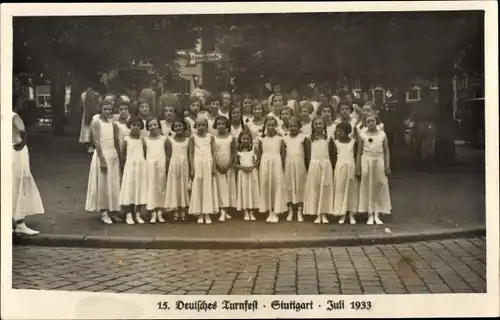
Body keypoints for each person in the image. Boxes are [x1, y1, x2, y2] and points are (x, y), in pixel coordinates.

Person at [85, 100, 121, 224]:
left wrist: (118, 156)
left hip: (112, 154)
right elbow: (96, 141)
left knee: (113, 183)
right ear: (100, 109)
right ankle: (104, 212)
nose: (107, 111)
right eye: (105, 109)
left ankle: (113, 210)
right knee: (103, 184)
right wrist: (102, 159)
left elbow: (115, 140)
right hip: (102, 154)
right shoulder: (96, 122)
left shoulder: (113, 124)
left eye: (109, 109)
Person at [11, 99, 44, 235]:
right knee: (21, 183)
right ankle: (19, 222)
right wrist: (23, 142)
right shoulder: (13, 115)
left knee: (11, 184)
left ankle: (12, 220)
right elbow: (21, 129)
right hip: (17, 151)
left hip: (8, 150)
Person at [356, 115, 392, 225]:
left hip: (379, 161)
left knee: (379, 185)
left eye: (372, 121)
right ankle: (370, 214)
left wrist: (387, 165)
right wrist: (358, 167)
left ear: (376, 121)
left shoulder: (382, 134)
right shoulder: (362, 135)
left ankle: (377, 213)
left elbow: (386, 151)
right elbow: (359, 152)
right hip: (367, 161)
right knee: (368, 186)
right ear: (365, 123)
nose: (370, 123)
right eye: (368, 121)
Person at [303, 117, 335, 224]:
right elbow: (307, 155)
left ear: (324, 126)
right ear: (312, 126)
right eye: (316, 124)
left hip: (326, 165)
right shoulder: (309, 139)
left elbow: (331, 154)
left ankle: (324, 213)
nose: (318, 126)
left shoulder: (329, 138)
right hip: (314, 165)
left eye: (320, 124)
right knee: (315, 188)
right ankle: (317, 213)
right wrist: (309, 168)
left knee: (324, 189)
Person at [188, 116, 219, 224]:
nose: (201, 127)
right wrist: (192, 168)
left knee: (208, 188)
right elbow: (191, 153)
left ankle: (207, 213)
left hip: (208, 164)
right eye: (199, 125)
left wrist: (214, 167)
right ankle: (200, 213)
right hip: (198, 164)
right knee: (199, 188)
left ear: (207, 126)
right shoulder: (193, 138)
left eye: (203, 125)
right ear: (196, 126)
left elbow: (214, 153)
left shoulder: (211, 137)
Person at [257, 116, 287, 223]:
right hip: (265, 163)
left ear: (275, 126)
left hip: (276, 163)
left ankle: (276, 210)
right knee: (266, 184)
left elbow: (283, 153)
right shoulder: (261, 139)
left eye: (272, 125)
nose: (270, 127)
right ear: (265, 126)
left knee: (276, 185)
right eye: (268, 125)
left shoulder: (279, 139)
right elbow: (260, 153)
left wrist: (281, 165)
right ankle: (269, 210)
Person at [119, 116, 148, 225]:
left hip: (140, 167)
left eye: (138, 125)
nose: (135, 127)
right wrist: (123, 168)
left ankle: (138, 214)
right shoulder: (126, 139)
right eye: (133, 125)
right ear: (129, 126)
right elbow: (122, 155)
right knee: (129, 190)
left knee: (139, 190)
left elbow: (144, 153)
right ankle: (128, 214)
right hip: (130, 167)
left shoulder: (142, 139)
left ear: (141, 127)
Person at [282, 117, 309, 222]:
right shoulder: (284, 139)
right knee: (288, 186)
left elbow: (307, 154)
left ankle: (299, 210)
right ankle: (290, 210)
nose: (292, 128)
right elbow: (283, 155)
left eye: (295, 126)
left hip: (300, 165)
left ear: (299, 127)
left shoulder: (303, 138)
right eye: (290, 126)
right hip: (288, 166)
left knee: (300, 186)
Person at [332, 122, 359, 224]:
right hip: (340, 168)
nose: (338, 132)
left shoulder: (353, 142)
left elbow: (356, 155)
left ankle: (351, 213)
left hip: (350, 167)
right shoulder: (336, 143)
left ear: (347, 131)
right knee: (340, 190)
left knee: (351, 190)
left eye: (341, 130)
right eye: (337, 130)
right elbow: (334, 157)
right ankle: (342, 214)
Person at [165, 118, 191, 221]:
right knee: (175, 187)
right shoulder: (170, 140)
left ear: (184, 127)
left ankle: (184, 210)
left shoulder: (188, 140)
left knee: (184, 187)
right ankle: (176, 210)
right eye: (176, 126)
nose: (178, 128)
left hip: (185, 165)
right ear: (173, 128)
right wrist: (167, 168)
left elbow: (189, 155)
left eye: (180, 126)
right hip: (174, 165)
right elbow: (168, 155)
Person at [144, 118, 169, 224]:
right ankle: (153, 212)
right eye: (150, 125)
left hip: (161, 165)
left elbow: (168, 154)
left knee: (161, 188)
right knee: (151, 188)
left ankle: (160, 211)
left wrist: (167, 166)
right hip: (150, 167)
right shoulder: (145, 139)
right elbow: (145, 154)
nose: (153, 127)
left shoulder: (164, 139)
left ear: (158, 125)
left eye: (155, 124)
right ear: (148, 128)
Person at [213, 116, 237, 222]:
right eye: (219, 124)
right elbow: (212, 153)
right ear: (216, 125)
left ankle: (225, 210)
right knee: (220, 188)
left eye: (223, 124)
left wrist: (228, 165)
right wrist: (217, 165)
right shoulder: (213, 138)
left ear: (226, 125)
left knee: (228, 188)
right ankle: (221, 210)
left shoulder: (231, 138)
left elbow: (233, 153)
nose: (221, 126)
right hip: (218, 166)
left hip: (228, 167)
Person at [234, 130, 260, 221]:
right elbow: (235, 164)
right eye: (243, 139)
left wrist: (253, 166)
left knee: (252, 191)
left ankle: (251, 211)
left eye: (247, 139)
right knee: (244, 191)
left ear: (250, 140)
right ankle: (245, 211)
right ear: (240, 140)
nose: (245, 140)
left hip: (252, 173)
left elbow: (258, 160)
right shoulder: (238, 151)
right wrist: (242, 167)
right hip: (243, 173)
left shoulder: (253, 149)